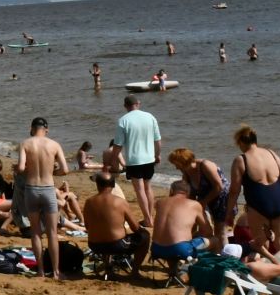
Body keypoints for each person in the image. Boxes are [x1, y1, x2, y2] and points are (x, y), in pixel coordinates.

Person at [16, 119, 69, 280]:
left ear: (32, 129)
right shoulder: (54, 145)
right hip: (47, 189)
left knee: (36, 233)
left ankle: (40, 271)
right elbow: (65, 170)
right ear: (46, 129)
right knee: (52, 233)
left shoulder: (25, 144)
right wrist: (53, 173)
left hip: (31, 189)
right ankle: (55, 272)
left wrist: (27, 170)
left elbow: (20, 168)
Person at [226, 125, 280, 253]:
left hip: (259, 205)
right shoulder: (272, 153)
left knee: (260, 243)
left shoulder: (241, 160)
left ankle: (265, 268)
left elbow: (234, 191)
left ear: (242, 142)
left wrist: (229, 213)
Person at [112, 94, 162, 229]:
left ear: (125, 106)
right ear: (138, 103)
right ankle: (150, 216)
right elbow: (158, 140)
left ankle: (147, 219)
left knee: (140, 190)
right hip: (149, 158)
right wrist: (157, 155)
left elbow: (118, 145)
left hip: (134, 160)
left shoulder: (123, 120)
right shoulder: (150, 117)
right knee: (148, 187)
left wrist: (115, 160)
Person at [150, 180, 214, 274]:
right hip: (179, 250)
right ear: (188, 193)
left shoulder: (160, 202)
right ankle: (203, 273)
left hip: (156, 249)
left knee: (172, 242)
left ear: (171, 191)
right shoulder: (194, 205)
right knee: (215, 241)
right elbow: (207, 231)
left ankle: (174, 270)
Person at [83, 172, 143, 270]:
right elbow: (135, 227)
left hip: (94, 245)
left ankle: (108, 265)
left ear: (97, 184)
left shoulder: (89, 202)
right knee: (145, 237)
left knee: (104, 234)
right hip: (116, 245)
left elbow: (87, 226)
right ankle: (135, 271)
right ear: (113, 185)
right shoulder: (120, 202)